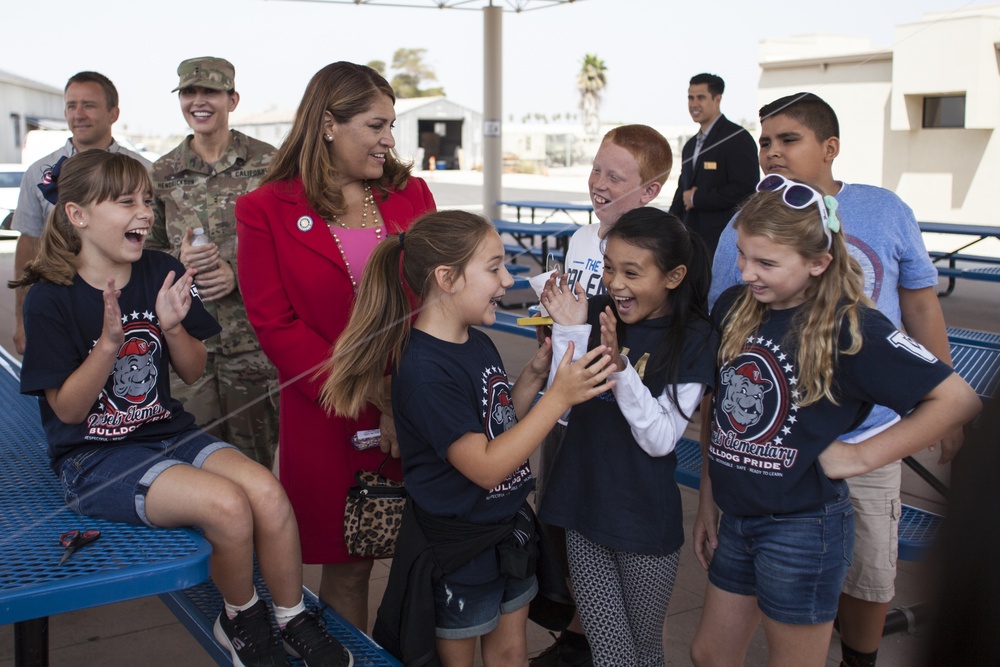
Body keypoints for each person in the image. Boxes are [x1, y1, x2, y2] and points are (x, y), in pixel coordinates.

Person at [12, 150, 352, 667]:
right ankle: (239, 616)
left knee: (267, 492)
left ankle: (292, 616)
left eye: (147, 200)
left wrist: (172, 327)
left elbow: (192, 371)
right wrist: (107, 346)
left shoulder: (162, 271)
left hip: (169, 433)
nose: (145, 212)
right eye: (126, 202)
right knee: (228, 507)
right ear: (77, 215)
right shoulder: (50, 297)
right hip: (95, 458)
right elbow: (69, 412)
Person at [706, 92, 961, 667]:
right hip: (761, 465)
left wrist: (863, 452)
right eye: (765, 140)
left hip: (858, 437)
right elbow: (731, 355)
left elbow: (923, 314)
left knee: (867, 577)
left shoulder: (880, 219)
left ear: (830, 147)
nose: (771, 152)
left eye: (787, 139)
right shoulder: (747, 232)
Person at [320, 210, 617, 666]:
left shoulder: (474, 340)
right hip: (459, 549)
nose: (506, 281)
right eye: (494, 267)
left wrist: (535, 377)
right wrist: (558, 399)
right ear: (447, 277)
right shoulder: (423, 370)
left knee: (511, 652)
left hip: (507, 529)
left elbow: (497, 426)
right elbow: (485, 465)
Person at [235, 61, 437, 629]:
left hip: (417, 405)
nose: (389, 140)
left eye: (390, 125)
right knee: (348, 568)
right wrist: (371, 393)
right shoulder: (264, 209)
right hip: (329, 415)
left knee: (429, 558)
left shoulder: (411, 195)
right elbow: (275, 325)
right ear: (328, 123)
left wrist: (404, 393)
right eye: (376, 125)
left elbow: (438, 296)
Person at [538, 208, 718, 665]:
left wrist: (619, 368)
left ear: (674, 276)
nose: (615, 283)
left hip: (641, 520)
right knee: (612, 653)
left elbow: (660, 438)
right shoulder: (597, 310)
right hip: (581, 506)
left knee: (643, 652)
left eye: (632, 272)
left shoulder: (693, 337)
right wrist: (570, 326)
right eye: (610, 268)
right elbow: (567, 399)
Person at [531, 123, 673, 667]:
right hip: (565, 405)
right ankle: (578, 631)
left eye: (616, 176)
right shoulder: (582, 239)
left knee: (610, 535)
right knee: (562, 522)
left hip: (620, 413)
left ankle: (602, 640)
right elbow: (571, 317)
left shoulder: (660, 248)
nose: (599, 182)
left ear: (651, 189)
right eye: (596, 168)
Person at [147, 56, 279, 469]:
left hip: (252, 348)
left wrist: (236, 274)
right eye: (189, 92)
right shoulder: (161, 173)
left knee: (257, 467)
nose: (198, 102)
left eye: (211, 92)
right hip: (189, 350)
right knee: (195, 465)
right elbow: (142, 257)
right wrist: (177, 261)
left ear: (232, 99)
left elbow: (291, 246)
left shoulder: (270, 164)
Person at [11, 71, 150, 356]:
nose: (78, 114)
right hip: (61, 308)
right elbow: (29, 246)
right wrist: (22, 319)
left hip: (131, 306)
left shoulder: (144, 171)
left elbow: (157, 242)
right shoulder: (40, 173)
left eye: (89, 105)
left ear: (114, 113)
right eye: (71, 105)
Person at [668, 73, 758, 258]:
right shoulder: (690, 144)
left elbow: (746, 190)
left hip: (723, 244)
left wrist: (697, 198)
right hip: (690, 244)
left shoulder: (737, 138)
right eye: (690, 98)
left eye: (701, 97)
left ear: (718, 99)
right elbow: (681, 191)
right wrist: (667, 225)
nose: (694, 104)